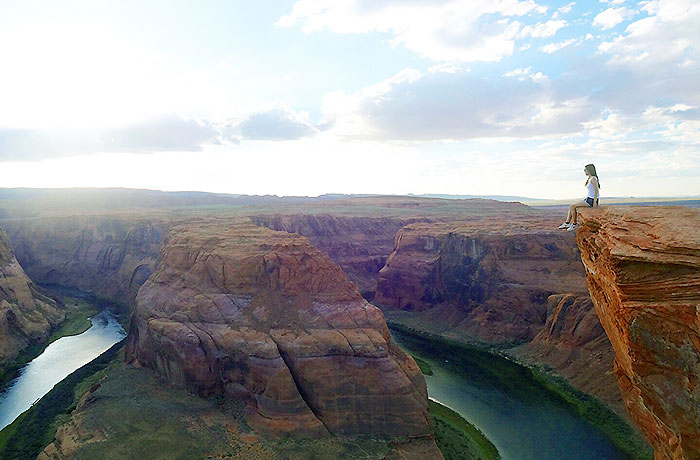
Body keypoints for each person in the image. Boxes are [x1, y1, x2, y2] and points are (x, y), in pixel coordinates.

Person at [559, 164, 600, 231]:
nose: (584, 171)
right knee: (571, 205)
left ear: (589, 170)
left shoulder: (593, 178)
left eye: (585, 169)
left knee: (573, 206)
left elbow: (596, 190)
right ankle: (567, 223)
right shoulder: (590, 178)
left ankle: (574, 224)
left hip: (591, 200)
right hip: (588, 198)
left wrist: (595, 202)